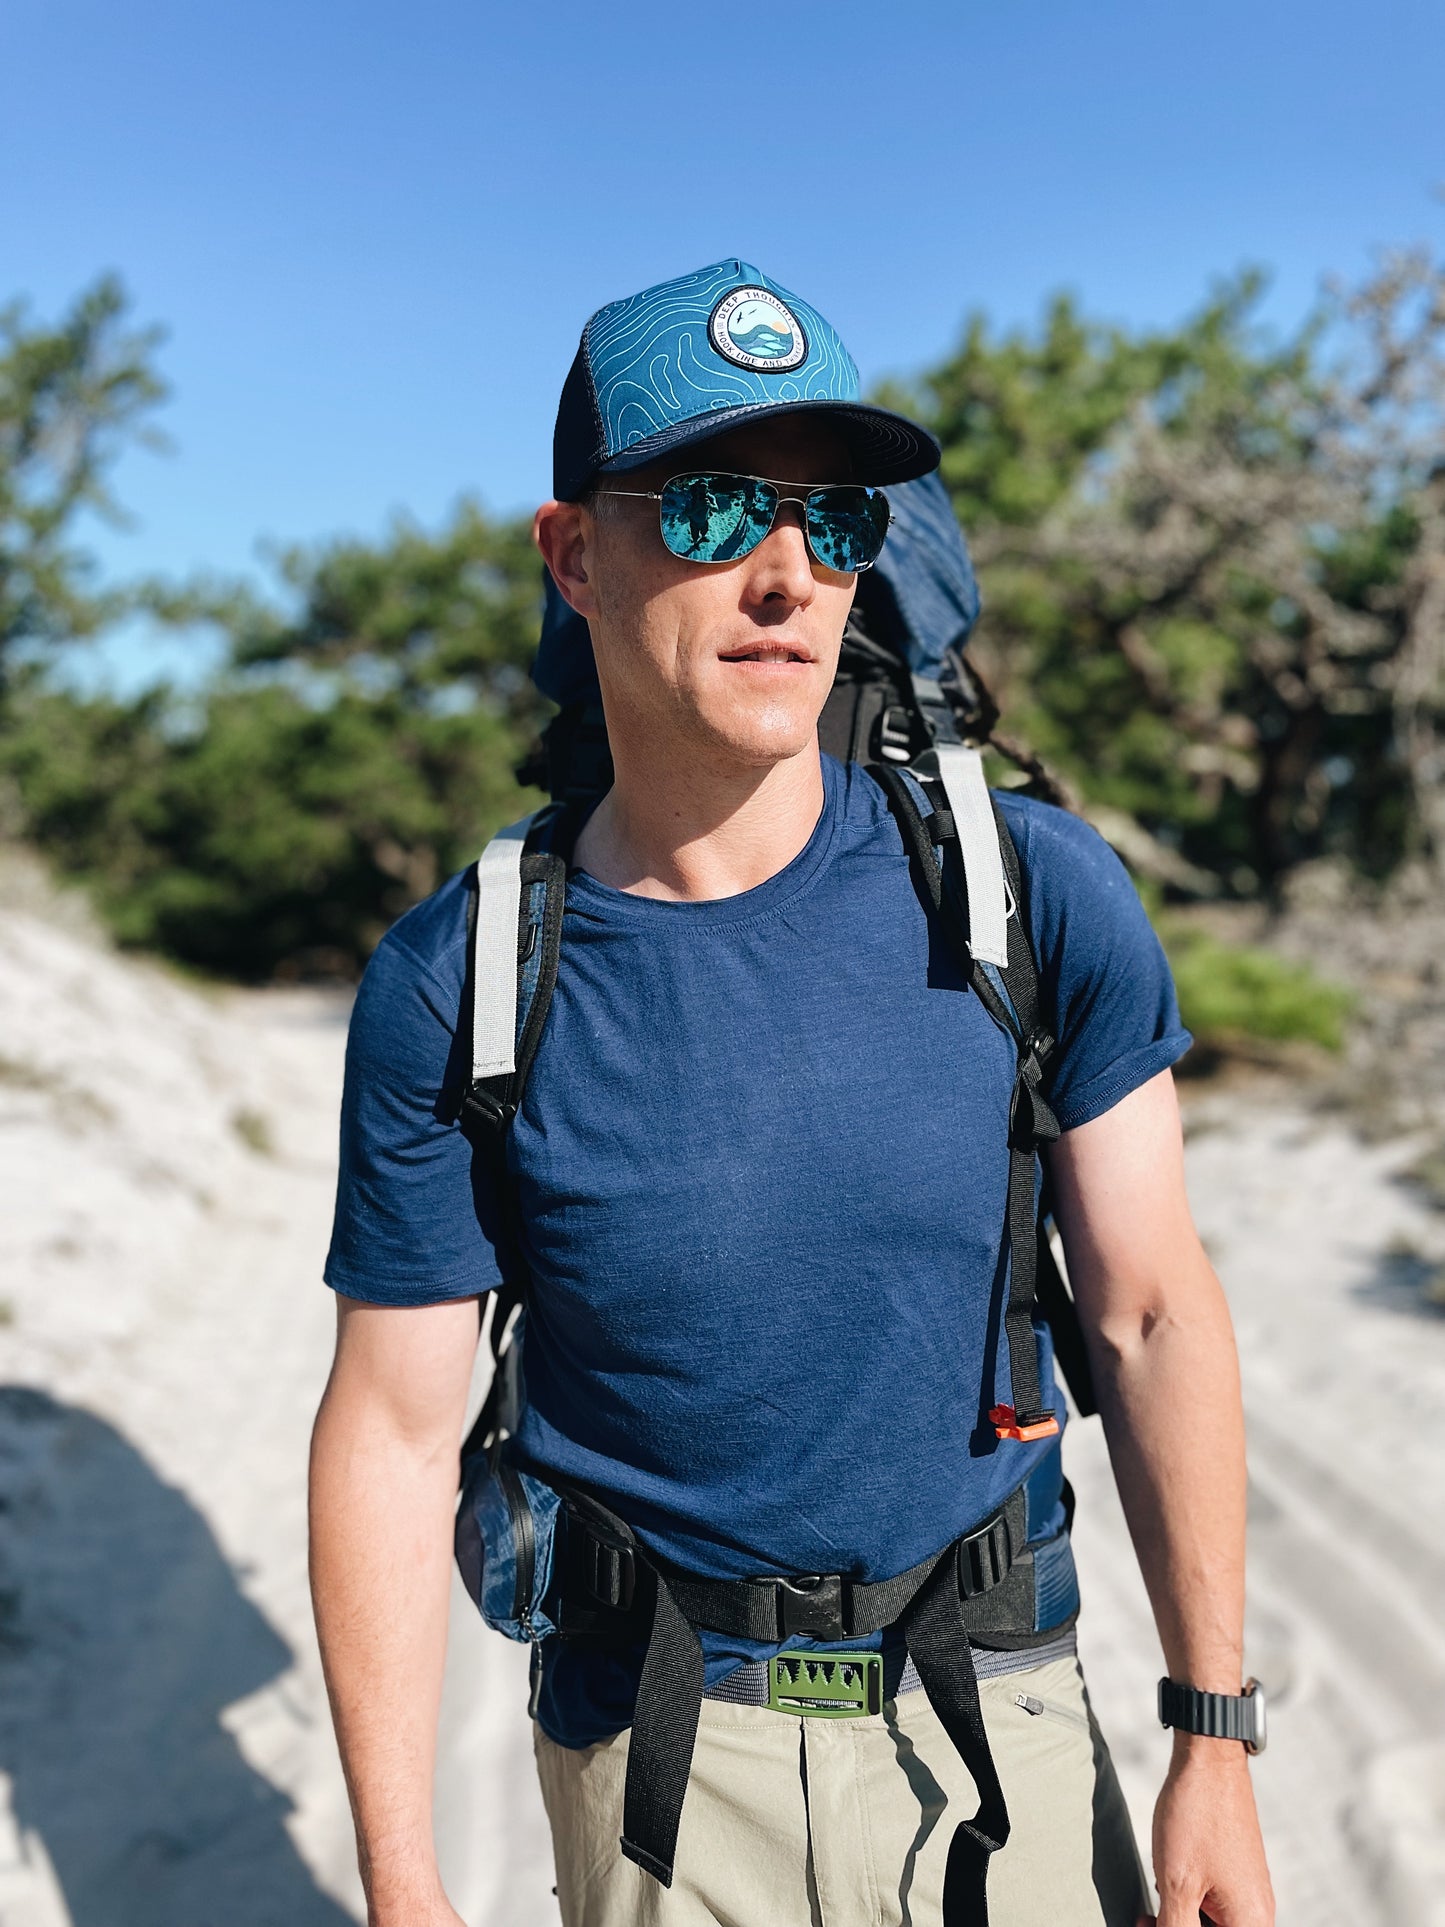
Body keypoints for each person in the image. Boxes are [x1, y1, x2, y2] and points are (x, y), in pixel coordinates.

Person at [309, 259, 1275, 1927]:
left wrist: (1210, 1741)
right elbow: (392, 1432)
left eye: (833, 523)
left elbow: (1152, 1315)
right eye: (709, 509)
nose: (784, 573)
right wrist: (403, 1880)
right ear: (571, 555)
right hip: (649, 1756)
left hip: (999, 1732)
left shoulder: (1026, 896)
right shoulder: (460, 977)